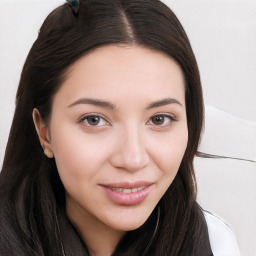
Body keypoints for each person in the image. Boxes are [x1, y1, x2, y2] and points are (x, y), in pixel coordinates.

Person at [0, 0, 240, 255]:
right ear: (44, 131)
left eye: (159, 119)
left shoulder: (216, 243)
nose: (132, 159)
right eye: (94, 120)